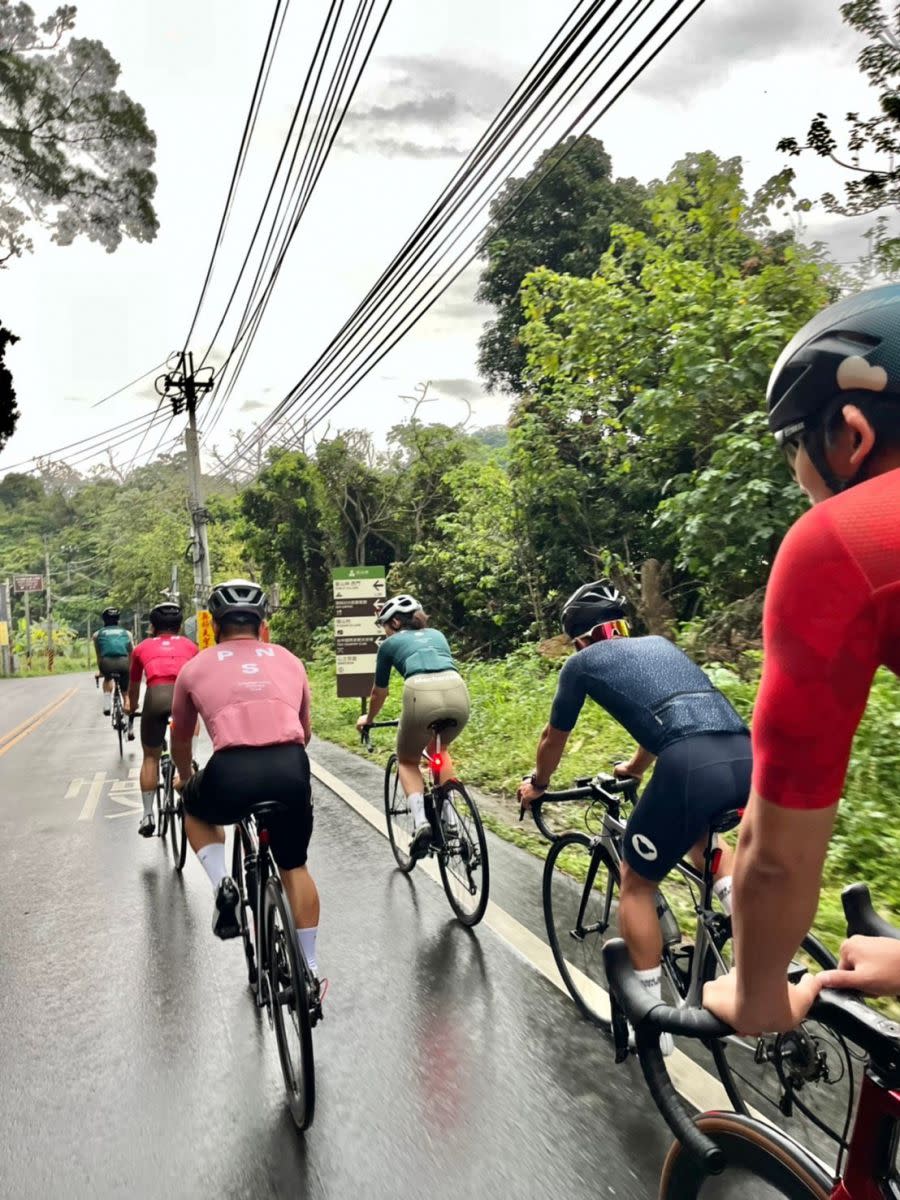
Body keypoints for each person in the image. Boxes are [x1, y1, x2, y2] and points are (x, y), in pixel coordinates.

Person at [703, 284, 900, 1033]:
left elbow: (779, 853)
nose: (797, 473)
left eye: (793, 446)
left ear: (849, 433)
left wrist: (757, 996)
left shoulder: (848, 540)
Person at [518, 582, 751, 1051]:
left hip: (688, 765)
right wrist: (634, 768)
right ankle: (754, 938)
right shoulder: (659, 645)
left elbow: (552, 737)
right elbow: (670, 713)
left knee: (637, 882)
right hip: (744, 755)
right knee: (702, 844)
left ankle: (654, 1025)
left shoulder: (582, 663)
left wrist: (539, 784)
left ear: (580, 639)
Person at [169, 580, 323, 988]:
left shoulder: (195, 667)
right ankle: (309, 971)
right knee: (295, 866)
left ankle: (224, 883)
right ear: (262, 624)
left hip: (230, 771)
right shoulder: (289, 660)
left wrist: (186, 780)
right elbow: (304, 733)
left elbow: (181, 738)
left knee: (195, 809)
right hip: (290, 768)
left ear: (214, 626)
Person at [356, 594, 470, 861]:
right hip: (457, 690)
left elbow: (379, 693)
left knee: (408, 760)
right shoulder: (438, 635)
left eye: (385, 624)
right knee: (440, 749)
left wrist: (369, 719)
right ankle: (451, 819)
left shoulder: (388, 644)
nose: (384, 630)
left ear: (395, 622)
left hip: (420, 693)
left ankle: (421, 824)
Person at [125, 602, 198, 838]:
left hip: (155, 697)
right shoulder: (191, 646)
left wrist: (132, 706)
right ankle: (188, 766)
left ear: (152, 626)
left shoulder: (141, 648)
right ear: (179, 626)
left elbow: (134, 686)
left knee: (150, 756)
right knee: (188, 725)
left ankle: (147, 815)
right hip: (183, 699)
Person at [93, 607, 134, 722]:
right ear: (118, 619)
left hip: (106, 663)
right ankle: (128, 722)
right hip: (124, 663)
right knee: (125, 692)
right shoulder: (127, 633)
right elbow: (131, 653)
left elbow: (99, 654)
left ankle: (107, 704)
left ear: (104, 619)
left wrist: (101, 671)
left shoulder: (97, 634)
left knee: (107, 678)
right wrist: (129, 669)